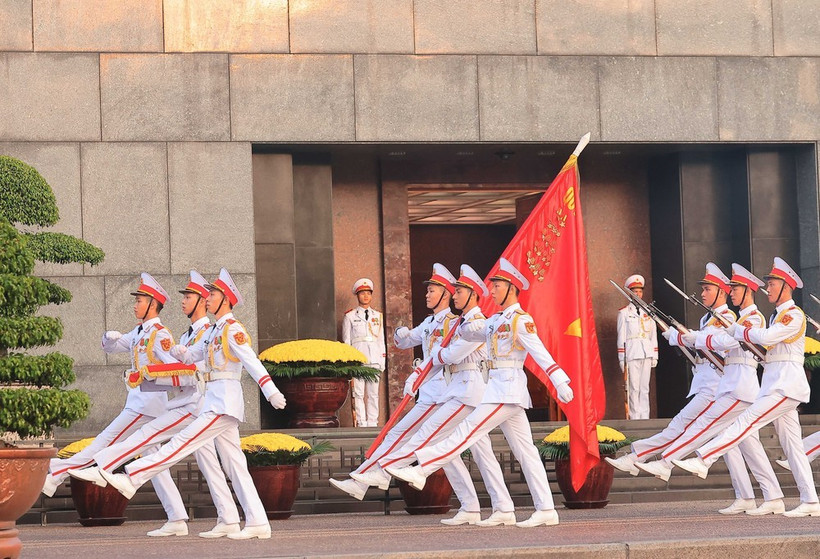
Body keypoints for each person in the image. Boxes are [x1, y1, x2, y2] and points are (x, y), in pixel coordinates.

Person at [100, 268, 289, 539]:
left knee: (183, 442)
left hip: (223, 402)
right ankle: (251, 520)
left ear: (226, 299)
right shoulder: (215, 331)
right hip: (214, 398)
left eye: (213, 294)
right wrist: (182, 352)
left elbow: (251, 361)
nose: (208, 298)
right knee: (235, 464)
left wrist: (269, 390)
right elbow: (194, 355)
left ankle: (133, 476)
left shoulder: (232, 329)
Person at [386, 258, 574, 528]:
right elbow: (476, 331)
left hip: (506, 391)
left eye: (497, 286)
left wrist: (559, 380)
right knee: (525, 451)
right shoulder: (497, 319)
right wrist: (463, 324)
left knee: (466, 431)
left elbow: (539, 352)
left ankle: (422, 469)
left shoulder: (521, 320)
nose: (493, 291)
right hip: (497, 389)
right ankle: (543, 508)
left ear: (510, 288)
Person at [68, 271, 241, 537]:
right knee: (211, 464)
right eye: (184, 296)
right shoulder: (185, 337)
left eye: (190, 296)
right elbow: (177, 373)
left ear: (204, 299)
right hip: (192, 402)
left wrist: (149, 376)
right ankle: (222, 518)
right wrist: (147, 378)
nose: (184, 301)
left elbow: (196, 370)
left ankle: (102, 466)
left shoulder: (208, 332)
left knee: (154, 440)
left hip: (203, 403)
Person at [351, 265, 515, 526]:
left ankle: (385, 471)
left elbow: (451, 355)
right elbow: (423, 347)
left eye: (458, 291)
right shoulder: (456, 322)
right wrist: (418, 363)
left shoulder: (476, 323)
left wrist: (428, 362)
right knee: (470, 451)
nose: (454, 295)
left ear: (472, 294)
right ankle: (486, 506)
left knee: (430, 437)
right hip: (458, 389)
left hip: (470, 391)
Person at [674, 257, 820, 518]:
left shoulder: (794, 315)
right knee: (793, 447)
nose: (768, 289)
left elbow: (766, 337)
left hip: (786, 387)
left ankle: (705, 458)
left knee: (746, 421)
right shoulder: (778, 315)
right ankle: (806, 500)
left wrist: (737, 331)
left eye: (773, 283)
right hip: (774, 385)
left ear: (786, 286)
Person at [634, 264, 783, 515]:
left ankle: (667, 461)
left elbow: (726, 341)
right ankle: (764, 496)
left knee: (705, 424)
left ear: (747, 290)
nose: (731, 292)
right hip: (731, 384)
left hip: (740, 388)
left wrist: (696, 337)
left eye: (735, 288)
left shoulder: (753, 318)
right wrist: (693, 337)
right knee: (747, 447)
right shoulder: (739, 319)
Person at [41, 273, 184, 530]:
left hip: (147, 406)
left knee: (105, 442)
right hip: (139, 403)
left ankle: (56, 472)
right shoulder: (139, 332)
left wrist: (145, 376)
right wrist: (110, 337)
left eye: (139, 300)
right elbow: (110, 348)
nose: (135, 304)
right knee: (155, 466)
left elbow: (175, 367)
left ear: (153, 304)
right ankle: (177, 517)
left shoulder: (160, 335)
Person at [329, 264, 476, 507]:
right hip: (433, 392)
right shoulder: (430, 323)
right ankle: (473, 506)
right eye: (427, 291)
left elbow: (445, 357)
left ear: (446, 294)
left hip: (442, 392)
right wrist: (401, 332)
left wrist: (418, 374)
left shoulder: (454, 323)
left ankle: (373, 476)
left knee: (406, 438)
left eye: (432, 291)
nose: (427, 295)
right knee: (445, 453)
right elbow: (404, 341)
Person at [607, 264, 749, 500]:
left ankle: (638, 456)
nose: (702, 294)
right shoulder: (708, 318)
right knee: (738, 448)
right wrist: (681, 340)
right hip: (707, 382)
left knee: (681, 425)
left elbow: (713, 344)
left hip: (715, 386)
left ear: (721, 292)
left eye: (707, 289)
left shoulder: (727, 318)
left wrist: (681, 337)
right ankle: (754, 497)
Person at [342, 278, 386, 427]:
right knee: (358, 393)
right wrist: (349, 363)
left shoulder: (377, 316)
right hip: (358, 359)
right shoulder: (350, 316)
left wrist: (382, 361)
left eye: (368, 293)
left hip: (374, 358)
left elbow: (381, 340)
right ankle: (361, 422)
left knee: (373, 394)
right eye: (362, 293)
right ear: (357, 295)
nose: (366, 296)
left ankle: (373, 423)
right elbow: (346, 341)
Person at [617, 274, 658, 419]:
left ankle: (645, 416)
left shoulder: (648, 312)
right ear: (630, 293)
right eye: (635, 291)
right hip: (632, 353)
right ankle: (635, 417)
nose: (638, 294)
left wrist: (655, 354)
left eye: (640, 291)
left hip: (646, 352)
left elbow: (653, 335)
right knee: (633, 388)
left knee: (644, 388)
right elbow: (621, 337)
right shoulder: (624, 313)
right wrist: (622, 358)